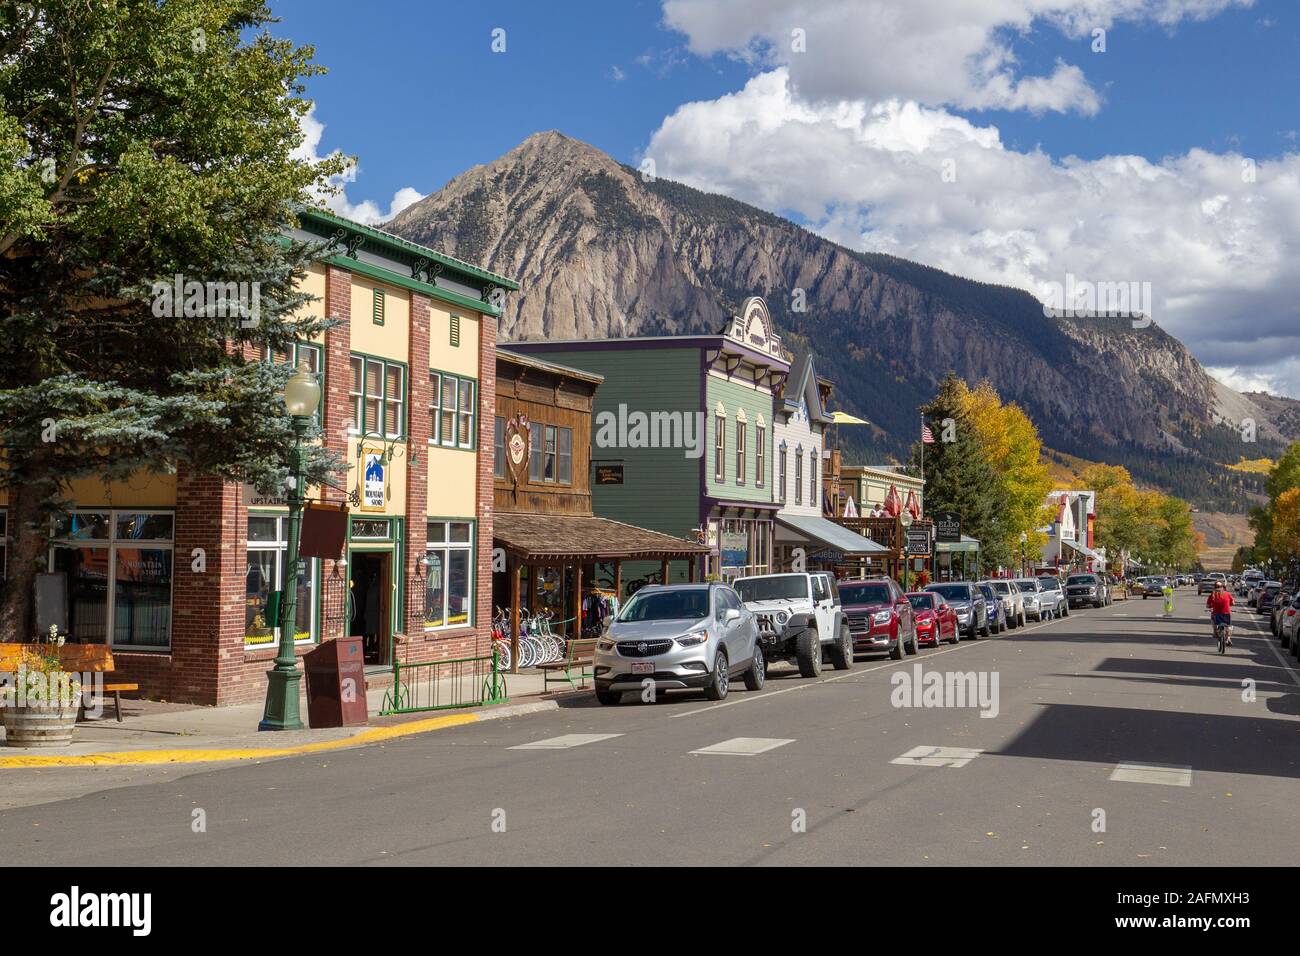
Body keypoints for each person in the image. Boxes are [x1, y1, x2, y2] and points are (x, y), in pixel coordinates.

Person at [1206, 580, 1233, 646]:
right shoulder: (1227, 594)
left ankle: (1215, 632)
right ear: (1222, 587)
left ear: (1214, 587)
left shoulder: (1212, 594)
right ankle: (1228, 638)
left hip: (1216, 614)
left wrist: (1211, 606)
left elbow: (1208, 605)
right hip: (1226, 613)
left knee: (1213, 619)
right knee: (1229, 626)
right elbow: (1232, 603)